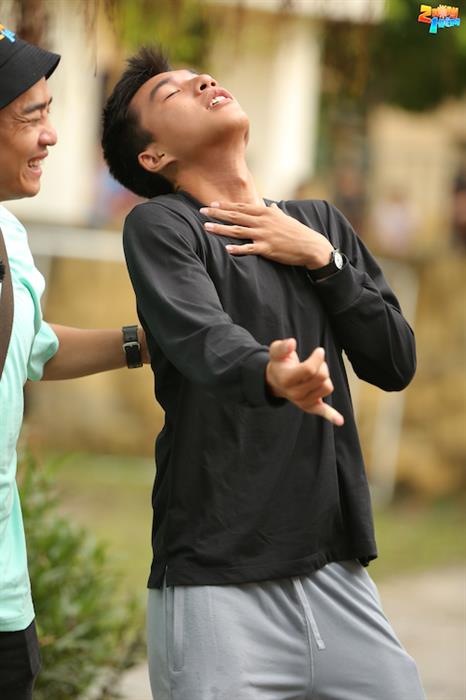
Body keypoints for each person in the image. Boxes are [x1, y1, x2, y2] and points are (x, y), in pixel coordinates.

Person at [102, 47, 426, 700]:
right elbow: (201, 338)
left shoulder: (320, 224)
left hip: (334, 570)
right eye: (172, 93)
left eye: (199, 76)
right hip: (215, 583)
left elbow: (395, 361)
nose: (202, 82)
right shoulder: (162, 227)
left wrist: (325, 260)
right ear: (153, 157)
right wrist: (270, 374)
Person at [0, 26, 147, 700]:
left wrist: (145, 344)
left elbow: (29, 347)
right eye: (32, 115)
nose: (52, 136)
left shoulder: (10, 232)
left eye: (50, 112)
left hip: (8, 594)